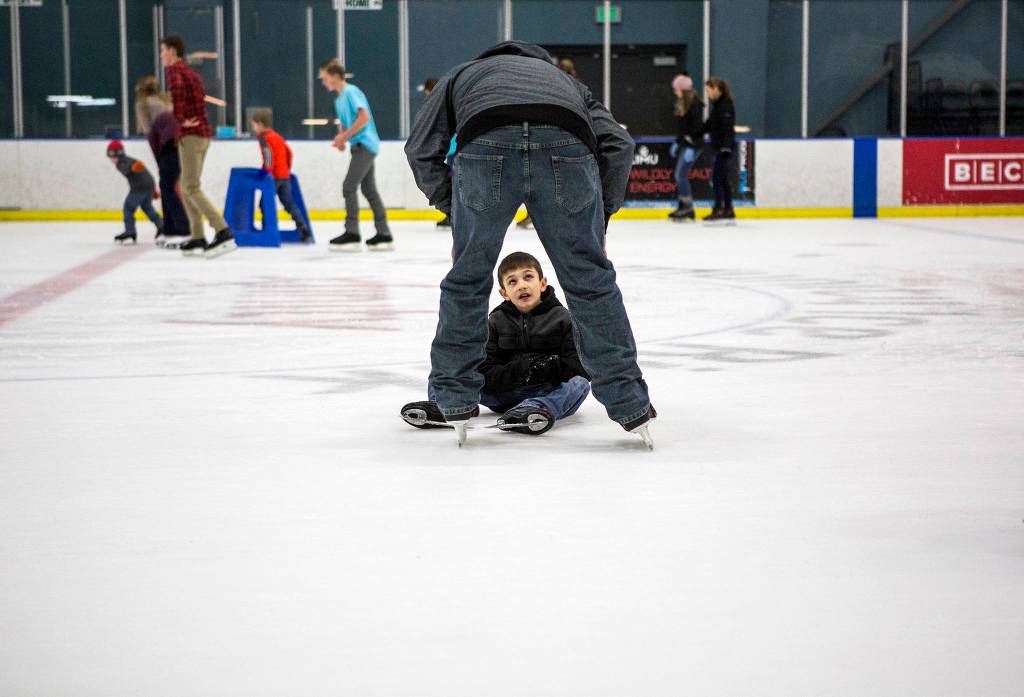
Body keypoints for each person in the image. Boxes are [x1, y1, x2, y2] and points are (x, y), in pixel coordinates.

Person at [405, 40, 656, 448]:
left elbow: (421, 149)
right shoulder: (565, 81)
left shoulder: (462, 74)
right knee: (591, 284)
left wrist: (454, 212)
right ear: (540, 63)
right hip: (566, 148)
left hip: (485, 149)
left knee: (466, 281)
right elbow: (620, 144)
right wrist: (601, 219)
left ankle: (453, 399)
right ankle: (631, 406)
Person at [401, 252, 591, 435]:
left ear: (542, 283)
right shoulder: (496, 321)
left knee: (580, 384)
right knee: (449, 367)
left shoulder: (564, 319)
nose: (522, 286)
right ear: (504, 293)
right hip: (502, 393)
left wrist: (543, 367)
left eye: (528, 277)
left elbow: (579, 366)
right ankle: (447, 405)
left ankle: (535, 410)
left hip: (544, 392)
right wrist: (517, 370)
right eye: (513, 281)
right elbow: (485, 366)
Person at [160, 33, 235, 257]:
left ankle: (222, 230)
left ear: (172, 51)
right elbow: (199, 97)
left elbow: (179, 96)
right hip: (202, 134)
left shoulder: (175, 72)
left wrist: (181, 119)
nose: (162, 55)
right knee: (185, 186)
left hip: (191, 136)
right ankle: (197, 236)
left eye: (163, 50)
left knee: (190, 186)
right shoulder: (192, 72)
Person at [317, 59, 393, 251]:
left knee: (349, 186)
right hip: (358, 146)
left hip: (365, 144)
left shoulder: (351, 91)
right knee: (369, 190)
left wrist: (344, 136)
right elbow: (345, 123)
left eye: (325, 78)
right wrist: (342, 140)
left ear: (335, 76)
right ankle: (384, 234)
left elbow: (364, 117)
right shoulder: (339, 99)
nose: (324, 82)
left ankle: (352, 233)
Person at [516, 57, 583, 232]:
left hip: (548, 136)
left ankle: (536, 214)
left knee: (541, 181)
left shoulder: (549, 82)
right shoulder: (577, 86)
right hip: (572, 137)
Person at [134, 75, 189, 246]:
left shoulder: (143, 105)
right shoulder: (165, 100)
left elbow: (152, 135)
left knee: (167, 187)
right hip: (182, 144)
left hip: (168, 146)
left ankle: (182, 228)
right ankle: (171, 228)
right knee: (169, 186)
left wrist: (159, 161)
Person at [250, 109, 312, 243]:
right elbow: (289, 153)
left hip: (273, 177)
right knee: (289, 203)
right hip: (284, 176)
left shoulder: (263, 137)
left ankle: (266, 229)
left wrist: (266, 170)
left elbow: (268, 155)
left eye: (254, 124)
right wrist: (286, 170)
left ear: (260, 124)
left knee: (264, 203)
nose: (253, 127)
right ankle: (302, 226)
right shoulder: (277, 136)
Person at [106, 140, 163, 245]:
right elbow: (144, 173)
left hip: (139, 188)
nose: (110, 159)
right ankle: (161, 225)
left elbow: (128, 171)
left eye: (109, 155)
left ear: (113, 154)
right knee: (147, 207)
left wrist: (132, 169)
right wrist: (152, 189)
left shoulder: (121, 162)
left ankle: (130, 230)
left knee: (128, 207)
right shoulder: (129, 160)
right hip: (148, 185)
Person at [668, 73, 704, 221]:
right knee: (679, 175)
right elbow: (682, 128)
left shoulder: (694, 104)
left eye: (676, 88)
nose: (674, 91)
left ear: (682, 89)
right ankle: (683, 205)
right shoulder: (683, 103)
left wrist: (691, 144)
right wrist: (678, 141)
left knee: (680, 175)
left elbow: (697, 128)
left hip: (693, 146)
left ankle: (687, 207)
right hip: (686, 144)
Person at [702, 76, 737, 222]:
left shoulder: (725, 105)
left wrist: (726, 146)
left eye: (709, 91)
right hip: (721, 147)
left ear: (716, 89)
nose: (708, 94)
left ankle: (719, 209)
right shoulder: (718, 105)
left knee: (717, 179)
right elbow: (710, 125)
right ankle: (728, 208)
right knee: (722, 179)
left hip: (725, 148)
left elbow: (727, 127)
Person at [422, 77, 455, 229]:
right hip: (453, 150)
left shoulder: (444, 105)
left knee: (455, 184)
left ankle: (454, 215)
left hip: (455, 149)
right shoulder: (449, 102)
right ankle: (452, 214)